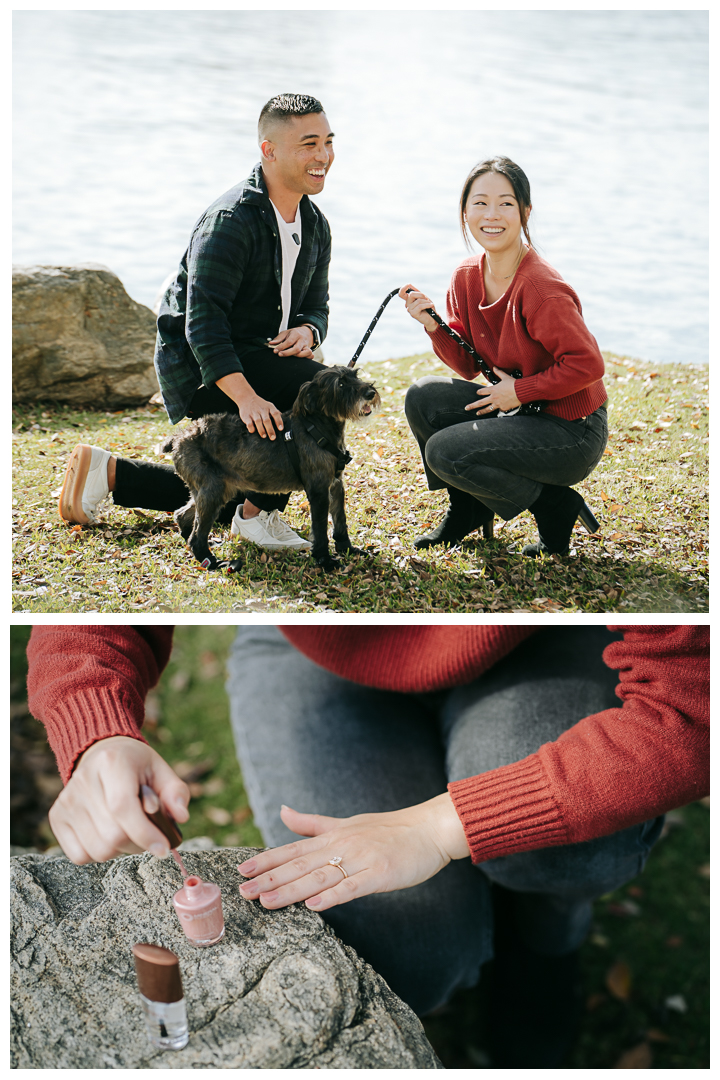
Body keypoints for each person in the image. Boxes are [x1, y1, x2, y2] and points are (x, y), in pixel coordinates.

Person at [27, 624, 709, 1067]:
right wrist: (94, 720)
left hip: (538, 636)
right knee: (404, 944)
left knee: (559, 851)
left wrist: (438, 827)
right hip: (318, 650)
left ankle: (546, 941)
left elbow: (687, 707)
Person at [58, 93, 335, 552]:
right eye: (309, 144)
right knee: (316, 391)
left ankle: (108, 473)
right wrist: (247, 400)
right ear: (269, 150)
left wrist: (308, 329)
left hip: (255, 352)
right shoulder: (229, 221)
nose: (323, 155)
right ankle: (257, 517)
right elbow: (202, 325)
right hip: (202, 364)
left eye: (327, 141)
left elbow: (317, 304)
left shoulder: (315, 224)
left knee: (226, 488)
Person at [400, 156, 608, 556]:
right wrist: (433, 326)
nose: (491, 215)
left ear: (525, 212)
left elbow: (588, 365)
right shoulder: (466, 276)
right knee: (423, 397)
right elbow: (466, 363)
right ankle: (467, 509)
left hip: (571, 430)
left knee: (444, 451)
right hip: (520, 411)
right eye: (479, 203)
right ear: (464, 212)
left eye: (506, 203)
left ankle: (554, 505)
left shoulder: (542, 288)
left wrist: (521, 391)